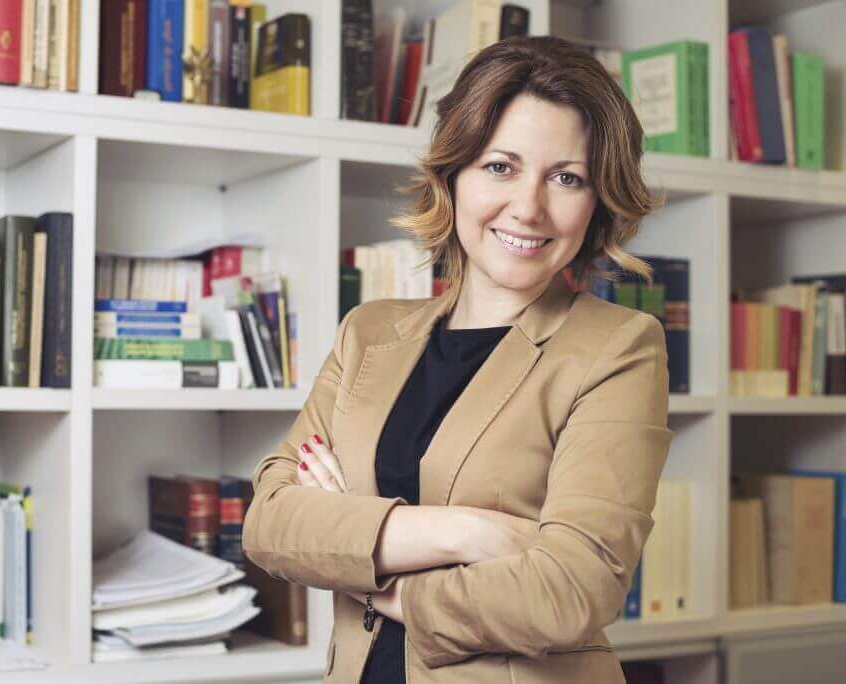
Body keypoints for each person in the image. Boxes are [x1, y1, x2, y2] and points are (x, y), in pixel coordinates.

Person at [242, 35, 673, 683]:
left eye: (566, 178)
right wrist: (464, 532)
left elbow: (569, 593)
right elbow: (271, 525)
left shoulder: (618, 347)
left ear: (598, 200)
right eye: (501, 166)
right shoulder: (368, 332)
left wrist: (374, 578)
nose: (528, 207)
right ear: (453, 174)